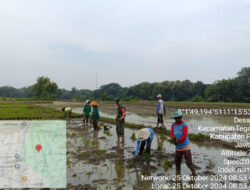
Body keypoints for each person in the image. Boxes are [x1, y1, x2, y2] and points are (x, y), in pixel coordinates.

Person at [170, 110, 196, 176]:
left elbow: (184, 136)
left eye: (178, 117)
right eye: (175, 118)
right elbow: (171, 134)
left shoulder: (184, 125)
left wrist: (177, 141)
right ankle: (177, 174)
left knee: (188, 162)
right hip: (178, 146)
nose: (176, 119)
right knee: (177, 161)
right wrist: (172, 139)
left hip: (185, 146)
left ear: (181, 117)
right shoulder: (173, 125)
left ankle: (194, 173)